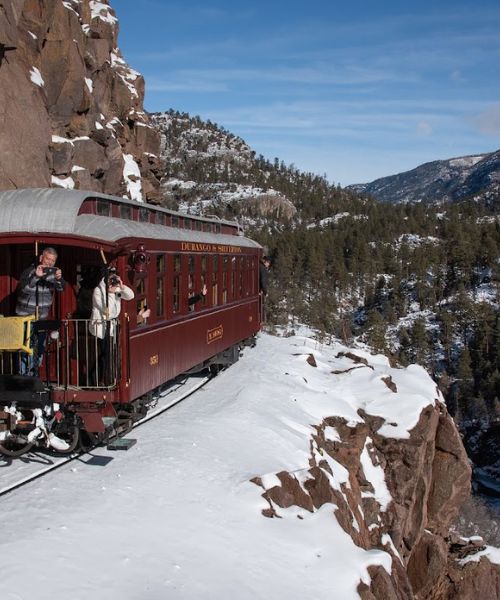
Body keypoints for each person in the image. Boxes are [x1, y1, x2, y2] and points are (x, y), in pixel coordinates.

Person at [15, 247, 65, 375]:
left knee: (40, 349)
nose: (49, 263)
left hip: (41, 319)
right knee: (25, 349)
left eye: (52, 261)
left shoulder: (52, 275)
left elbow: (61, 289)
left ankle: (34, 376)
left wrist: (58, 278)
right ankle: (23, 377)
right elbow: (24, 289)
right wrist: (36, 277)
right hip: (25, 319)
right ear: (41, 258)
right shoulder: (29, 272)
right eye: (48, 259)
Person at [89, 270, 134, 385]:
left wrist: (122, 286)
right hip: (100, 329)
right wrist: (110, 293)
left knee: (109, 355)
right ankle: (96, 381)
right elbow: (107, 311)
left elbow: (131, 296)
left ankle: (106, 380)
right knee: (102, 356)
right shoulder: (98, 291)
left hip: (111, 328)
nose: (113, 282)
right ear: (105, 279)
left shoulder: (116, 289)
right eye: (111, 279)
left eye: (114, 279)